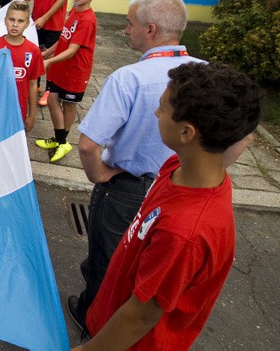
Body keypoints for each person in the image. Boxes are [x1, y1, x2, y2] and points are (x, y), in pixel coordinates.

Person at [76, 62, 261, 351]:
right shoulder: (178, 165)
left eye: (163, 108)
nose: (156, 112)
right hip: (113, 317)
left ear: (187, 132)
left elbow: (140, 316)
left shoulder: (184, 234)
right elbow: (244, 137)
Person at [66, 0, 203, 333]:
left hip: (126, 189)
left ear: (151, 29)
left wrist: (100, 176)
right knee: (152, 267)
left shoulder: (129, 78)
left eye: (129, 24)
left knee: (108, 263)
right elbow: (239, 136)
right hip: (181, 188)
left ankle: (92, 325)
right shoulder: (207, 74)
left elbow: (87, 145)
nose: (125, 30)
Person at [35, 0, 100, 163]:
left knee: (68, 104)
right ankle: (59, 139)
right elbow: (64, 39)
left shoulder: (87, 19)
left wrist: (48, 62)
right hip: (61, 67)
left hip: (76, 70)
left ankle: (62, 141)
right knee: (54, 99)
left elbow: (73, 51)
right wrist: (47, 53)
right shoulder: (74, 11)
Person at [20, 0, 75, 105]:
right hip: (36, 21)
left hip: (54, 22)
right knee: (35, 53)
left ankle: (48, 90)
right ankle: (35, 84)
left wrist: (45, 17)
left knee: (51, 56)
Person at [0, 1, 44, 131]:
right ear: (5, 21)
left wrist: (32, 115)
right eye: (12, 19)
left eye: (20, 21)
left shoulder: (33, 51)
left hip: (18, 112)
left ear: (27, 24)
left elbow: (33, 84)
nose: (15, 24)